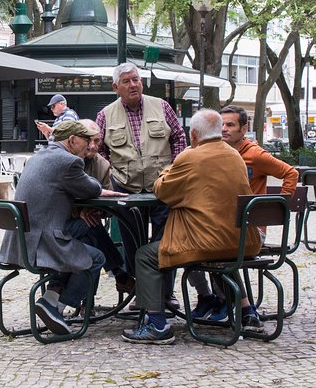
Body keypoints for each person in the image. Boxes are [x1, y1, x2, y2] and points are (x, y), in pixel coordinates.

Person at [121, 109, 261, 345]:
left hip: (204, 243)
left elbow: (162, 190)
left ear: (193, 135)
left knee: (145, 255)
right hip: (241, 242)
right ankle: (247, 312)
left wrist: (168, 168)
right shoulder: (235, 155)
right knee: (223, 250)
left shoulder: (190, 158)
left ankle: (157, 324)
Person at [0, 121, 125, 335]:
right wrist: (99, 190)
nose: (90, 146)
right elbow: (92, 187)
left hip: (21, 240)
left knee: (88, 226)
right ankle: (56, 306)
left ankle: (53, 295)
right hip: (41, 243)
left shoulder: (38, 157)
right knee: (96, 258)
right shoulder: (69, 162)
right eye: (86, 141)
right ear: (72, 140)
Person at [188, 105, 298, 320]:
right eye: (222, 125)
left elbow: (290, 173)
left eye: (231, 125)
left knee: (211, 246)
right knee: (186, 242)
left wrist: (279, 206)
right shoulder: (214, 151)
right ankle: (209, 297)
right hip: (223, 224)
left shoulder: (254, 154)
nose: (225, 129)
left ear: (244, 128)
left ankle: (228, 302)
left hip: (250, 229)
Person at [95, 62, 187, 309]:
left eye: (135, 79)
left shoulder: (162, 106)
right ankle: (141, 293)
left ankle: (166, 294)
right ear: (116, 87)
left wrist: (174, 169)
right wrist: (112, 171)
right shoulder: (105, 114)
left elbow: (179, 137)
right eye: (126, 81)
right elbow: (99, 151)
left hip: (162, 187)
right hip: (126, 188)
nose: (133, 84)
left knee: (165, 241)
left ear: (142, 81)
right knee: (132, 241)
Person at [65, 119, 135, 295]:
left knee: (91, 235)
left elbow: (108, 205)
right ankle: (120, 274)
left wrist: (95, 210)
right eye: (89, 140)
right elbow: (57, 200)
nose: (93, 146)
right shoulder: (65, 162)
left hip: (85, 229)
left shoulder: (102, 165)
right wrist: (80, 212)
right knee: (91, 228)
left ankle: (81, 302)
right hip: (61, 228)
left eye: (97, 141)